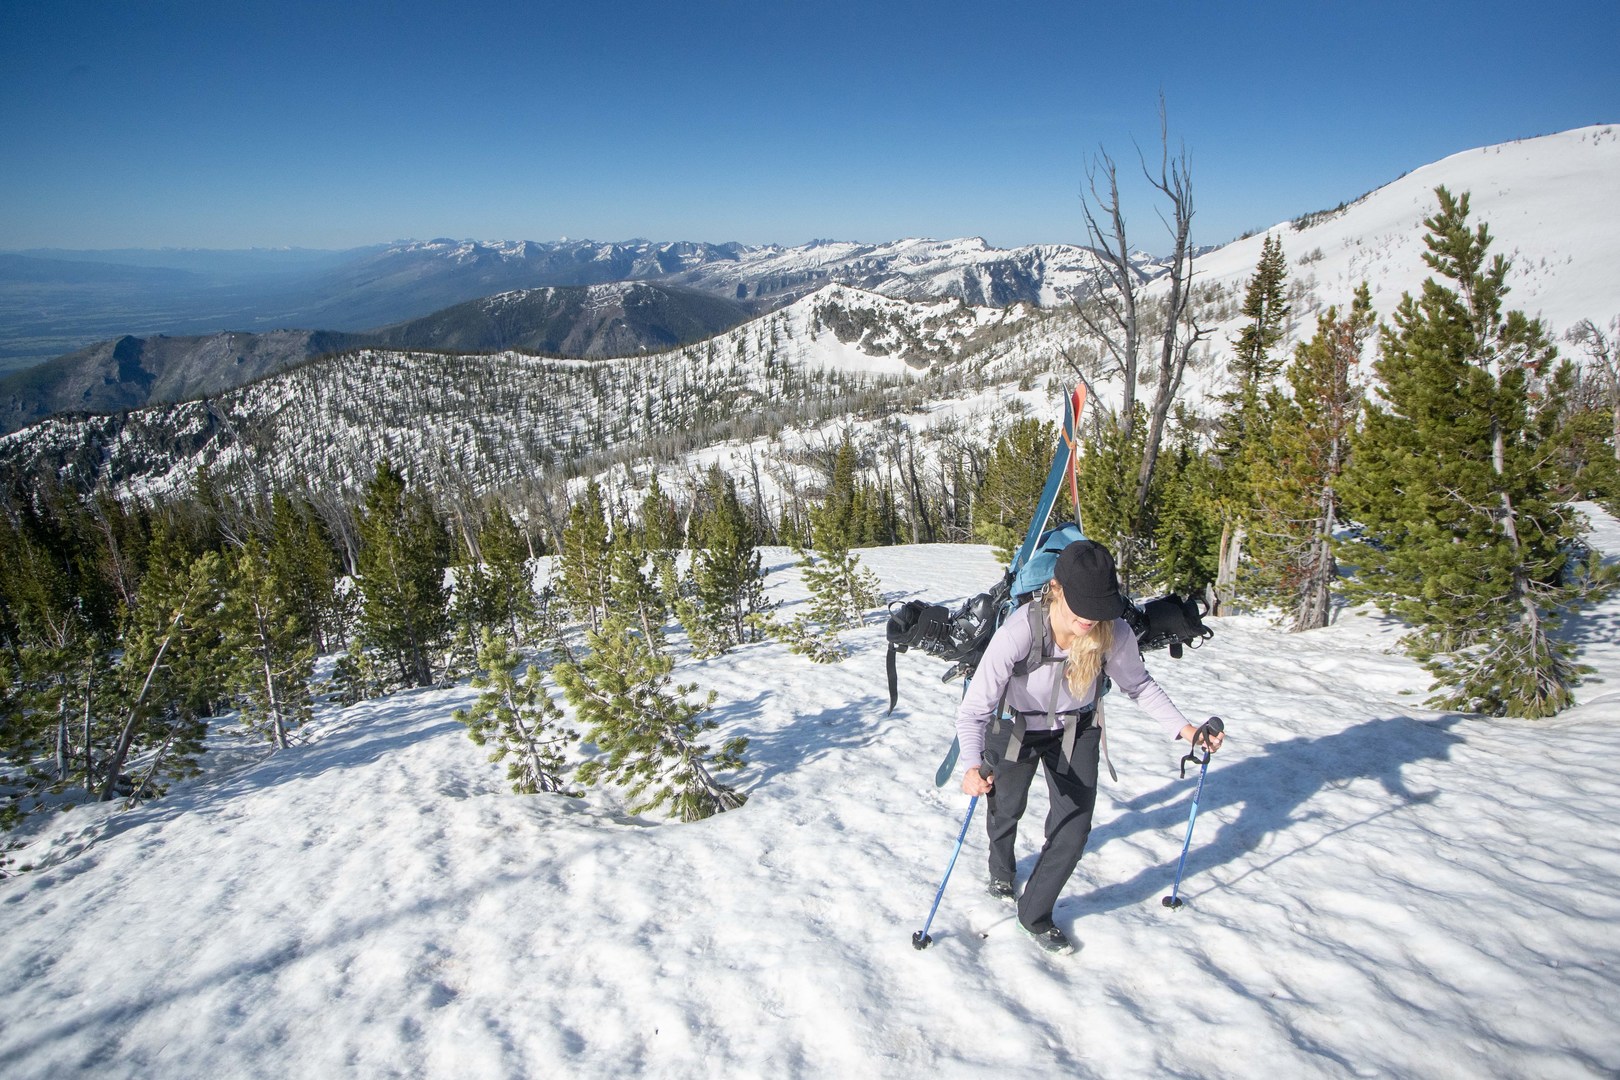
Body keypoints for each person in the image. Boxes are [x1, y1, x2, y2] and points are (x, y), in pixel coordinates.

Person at [956, 538, 1223, 955]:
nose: (1090, 618)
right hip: (1015, 727)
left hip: (1075, 727)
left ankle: (1034, 913)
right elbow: (974, 710)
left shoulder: (1111, 631)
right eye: (1083, 605)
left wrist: (1186, 730)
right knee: (1006, 806)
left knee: (1074, 828)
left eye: (1100, 607)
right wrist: (972, 764)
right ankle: (1001, 870)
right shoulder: (1020, 631)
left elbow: (1139, 685)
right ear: (1057, 589)